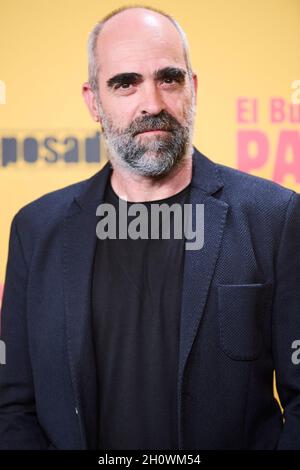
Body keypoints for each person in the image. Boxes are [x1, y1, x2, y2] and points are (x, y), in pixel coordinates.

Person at [0, 5, 300, 450]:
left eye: (169, 78)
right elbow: (13, 408)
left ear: (193, 88)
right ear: (93, 102)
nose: (153, 103)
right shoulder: (37, 229)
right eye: (125, 83)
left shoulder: (275, 216)